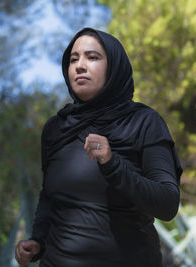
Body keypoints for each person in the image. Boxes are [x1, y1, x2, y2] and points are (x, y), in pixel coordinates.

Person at [15, 27, 182, 267]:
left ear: (114, 67)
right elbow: (50, 196)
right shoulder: (57, 127)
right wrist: (38, 240)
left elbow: (167, 204)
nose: (80, 65)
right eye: (74, 59)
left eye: (92, 57)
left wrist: (113, 164)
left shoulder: (144, 122)